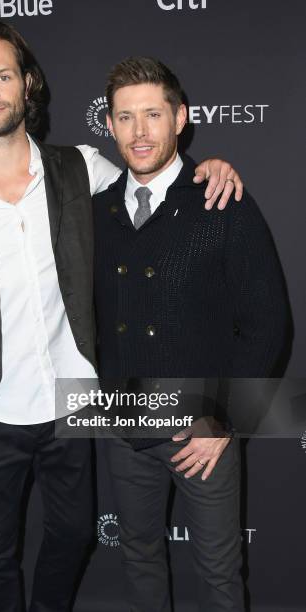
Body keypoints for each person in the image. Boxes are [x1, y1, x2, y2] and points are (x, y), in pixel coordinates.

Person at [0, 19, 243, 612]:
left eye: (3, 75)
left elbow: (159, 182)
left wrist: (209, 167)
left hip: (75, 402)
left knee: (75, 535)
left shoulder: (82, 167)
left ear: (27, 83)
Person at [92, 56, 290, 611]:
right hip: (124, 419)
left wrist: (225, 421)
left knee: (220, 572)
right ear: (109, 125)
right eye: (125, 117)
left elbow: (269, 324)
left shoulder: (222, 201)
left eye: (152, 114)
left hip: (202, 425)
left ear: (180, 117)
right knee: (138, 557)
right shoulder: (95, 212)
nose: (139, 132)